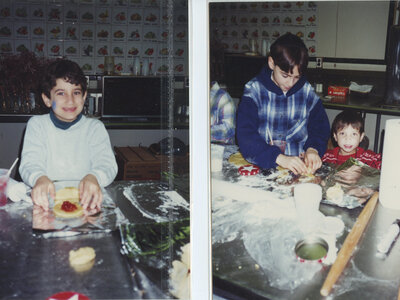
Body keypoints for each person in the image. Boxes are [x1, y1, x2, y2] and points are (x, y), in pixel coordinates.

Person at [19, 59, 118, 211]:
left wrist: (95, 177)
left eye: (76, 92)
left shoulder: (95, 128)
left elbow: (108, 165)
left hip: (86, 203)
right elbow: (29, 164)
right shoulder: (37, 125)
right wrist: (39, 178)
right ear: (47, 99)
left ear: (84, 96)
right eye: (61, 93)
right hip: (47, 203)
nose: (70, 100)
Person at [236, 33, 330, 175]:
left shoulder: (306, 91)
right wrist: (279, 158)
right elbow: (246, 136)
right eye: (285, 75)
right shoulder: (254, 90)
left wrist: (313, 149)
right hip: (263, 167)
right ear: (272, 63)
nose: (290, 83)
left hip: (300, 169)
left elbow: (320, 126)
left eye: (296, 77)